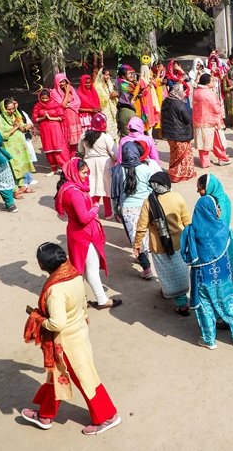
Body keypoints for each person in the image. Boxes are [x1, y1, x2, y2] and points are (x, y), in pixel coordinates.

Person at [21, 242, 121, 435]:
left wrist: (39, 320)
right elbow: (83, 301)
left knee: (84, 378)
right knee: (57, 376)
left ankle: (108, 416)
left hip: (64, 342)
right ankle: (45, 416)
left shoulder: (55, 290)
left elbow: (57, 324)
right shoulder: (73, 274)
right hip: (79, 332)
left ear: (43, 266)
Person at [181, 195, 233, 349]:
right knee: (229, 302)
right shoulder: (223, 227)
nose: (219, 210)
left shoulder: (191, 231)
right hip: (223, 275)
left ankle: (209, 340)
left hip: (202, 276)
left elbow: (187, 256)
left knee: (205, 306)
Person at [54, 158, 117, 309]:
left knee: (82, 268)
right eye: (83, 172)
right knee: (91, 269)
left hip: (77, 233)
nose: (85, 175)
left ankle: (80, 300)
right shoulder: (74, 193)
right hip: (84, 235)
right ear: (74, 172)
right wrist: (95, 208)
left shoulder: (66, 189)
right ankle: (101, 300)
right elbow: (84, 218)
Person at [134, 172, 192, 316]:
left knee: (166, 272)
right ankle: (179, 295)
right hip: (179, 243)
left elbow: (142, 226)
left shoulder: (149, 202)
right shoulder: (177, 197)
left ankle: (182, 303)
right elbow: (187, 222)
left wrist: (137, 244)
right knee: (180, 271)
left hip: (159, 247)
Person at [111, 141, 161, 279]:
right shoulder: (146, 169)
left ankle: (146, 268)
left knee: (135, 237)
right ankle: (144, 259)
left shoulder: (118, 170)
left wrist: (116, 210)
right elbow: (152, 188)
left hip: (127, 210)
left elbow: (114, 194)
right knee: (145, 235)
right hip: (146, 206)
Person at [77, 113, 116, 219]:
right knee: (107, 188)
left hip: (89, 163)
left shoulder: (84, 135)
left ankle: (93, 211)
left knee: (93, 188)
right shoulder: (106, 136)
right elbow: (114, 153)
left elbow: (80, 150)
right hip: (105, 163)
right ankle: (108, 213)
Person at [0, 97, 36, 195]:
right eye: (9, 109)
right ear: (3, 108)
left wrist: (27, 127)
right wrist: (15, 128)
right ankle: (14, 190)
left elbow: (22, 129)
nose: (11, 111)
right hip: (9, 146)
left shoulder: (15, 115)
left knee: (21, 165)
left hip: (20, 145)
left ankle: (22, 186)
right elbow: (2, 135)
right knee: (13, 167)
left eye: (13, 108)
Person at [192, 73, 230, 167]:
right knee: (217, 142)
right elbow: (216, 108)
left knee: (203, 142)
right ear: (207, 83)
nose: (213, 82)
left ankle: (205, 162)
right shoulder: (209, 93)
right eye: (212, 80)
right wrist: (220, 116)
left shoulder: (196, 92)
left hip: (199, 121)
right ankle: (223, 158)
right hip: (211, 121)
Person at [160, 83, 197, 182]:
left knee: (174, 153)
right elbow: (188, 119)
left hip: (169, 135)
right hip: (181, 135)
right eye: (184, 91)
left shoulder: (166, 101)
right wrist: (190, 109)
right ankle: (181, 174)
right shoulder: (180, 104)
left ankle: (172, 172)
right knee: (184, 156)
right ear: (179, 91)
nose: (185, 94)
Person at [32, 89, 69, 174]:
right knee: (49, 149)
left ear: (50, 97)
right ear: (40, 98)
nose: (45, 100)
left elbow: (61, 117)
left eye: (46, 98)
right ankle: (53, 169)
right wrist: (43, 118)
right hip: (45, 130)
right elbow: (35, 118)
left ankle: (65, 167)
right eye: (43, 98)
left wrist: (51, 118)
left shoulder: (56, 105)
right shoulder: (37, 106)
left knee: (58, 147)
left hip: (55, 129)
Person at [52, 73, 82, 157]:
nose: (62, 84)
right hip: (65, 117)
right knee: (67, 139)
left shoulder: (71, 88)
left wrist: (70, 105)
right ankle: (67, 157)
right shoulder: (54, 92)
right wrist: (67, 93)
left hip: (74, 116)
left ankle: (73, 156)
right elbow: (63, 105)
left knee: (74, 140)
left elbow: (78, 102)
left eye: (63, 81)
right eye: (60, 82)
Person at [92, 68, 119, 137]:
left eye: (108, 75)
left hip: (112, 106)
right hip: (105, 108)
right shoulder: (98, 86)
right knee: (108, 125)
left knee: (115, 124)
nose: (108, 77)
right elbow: (98, 98)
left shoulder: (109, 83)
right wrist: (109, 96)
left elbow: (112, 91)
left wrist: (115, 94)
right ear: (102, 75)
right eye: (106, 75)